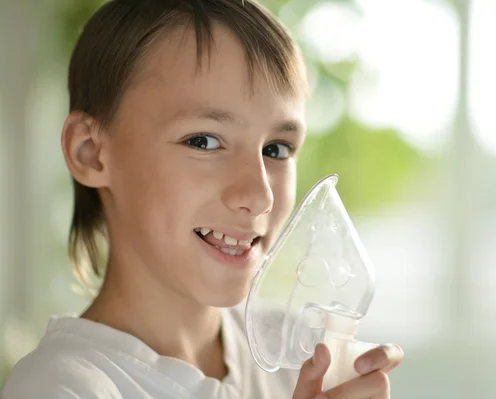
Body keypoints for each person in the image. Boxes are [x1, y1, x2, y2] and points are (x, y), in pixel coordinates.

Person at [1, 0, 403, 397]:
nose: (260, 196)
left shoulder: (297, 370)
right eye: (204, 141)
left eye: (277, 149)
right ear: (90, 152)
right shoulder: (61, 387)